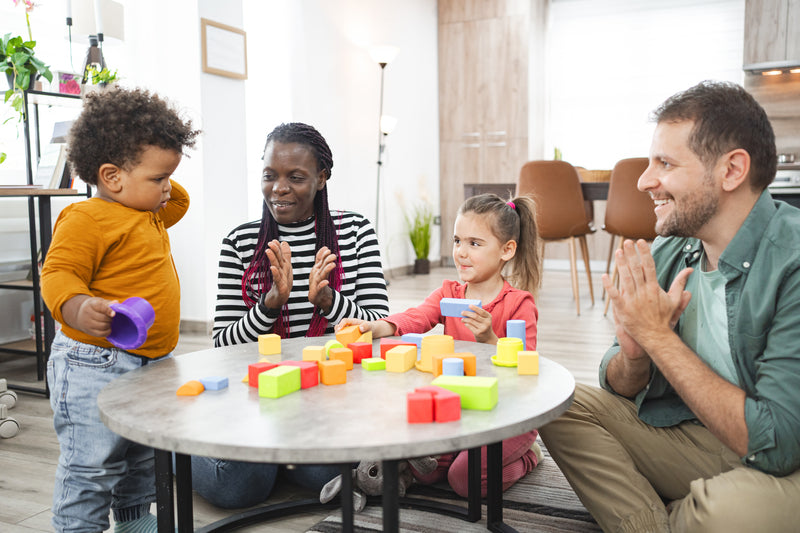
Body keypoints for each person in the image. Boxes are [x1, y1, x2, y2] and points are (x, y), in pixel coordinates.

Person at [539, 80, 800, 532]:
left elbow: (778, 444)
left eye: (665, 163)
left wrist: (659, 336)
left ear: (732, 170)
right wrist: (635, 355)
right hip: (698, 438)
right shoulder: (670, 252)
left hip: (786, 457)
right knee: (557, 401)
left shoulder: (791, 259)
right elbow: (620, 388)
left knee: (725, 513)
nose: (643, 181)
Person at [190, 122, 390, 509]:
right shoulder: (240, 242)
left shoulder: (355, 231)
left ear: (321, 177)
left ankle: (281, 455)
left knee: (324, 474)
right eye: (269, 176)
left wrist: (330, 302)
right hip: (259, 397)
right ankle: (175, 446)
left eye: (295, 177)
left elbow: (381, 328)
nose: (278, 189)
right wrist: (269, 306)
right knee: (239, 486)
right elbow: (223, 344)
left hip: (331, 398)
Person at [40, 87, 199, 533]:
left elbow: (179, 201)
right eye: (159, 178)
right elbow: (56, 274)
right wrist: (77, 305)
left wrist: (156, 174)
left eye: (168, 177)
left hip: (150, 361)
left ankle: (132, 521)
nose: (168, 188)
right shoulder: (86, 218)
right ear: (111, 177)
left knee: (141, 455)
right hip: (94, 363)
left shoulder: (148, 209)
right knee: (92, 465)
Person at [337, 193, 543, 498]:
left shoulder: (519, 303)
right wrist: (374, 325)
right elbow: (417, 316)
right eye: (457, 240)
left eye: (475, 243)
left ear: (507, 250)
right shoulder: (449, 292)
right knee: (428, 469)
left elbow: (526, 369)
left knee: (465, 481)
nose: (461, 252)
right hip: (460, 407)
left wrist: (489, 339)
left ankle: (529, 457)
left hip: (509, 412)